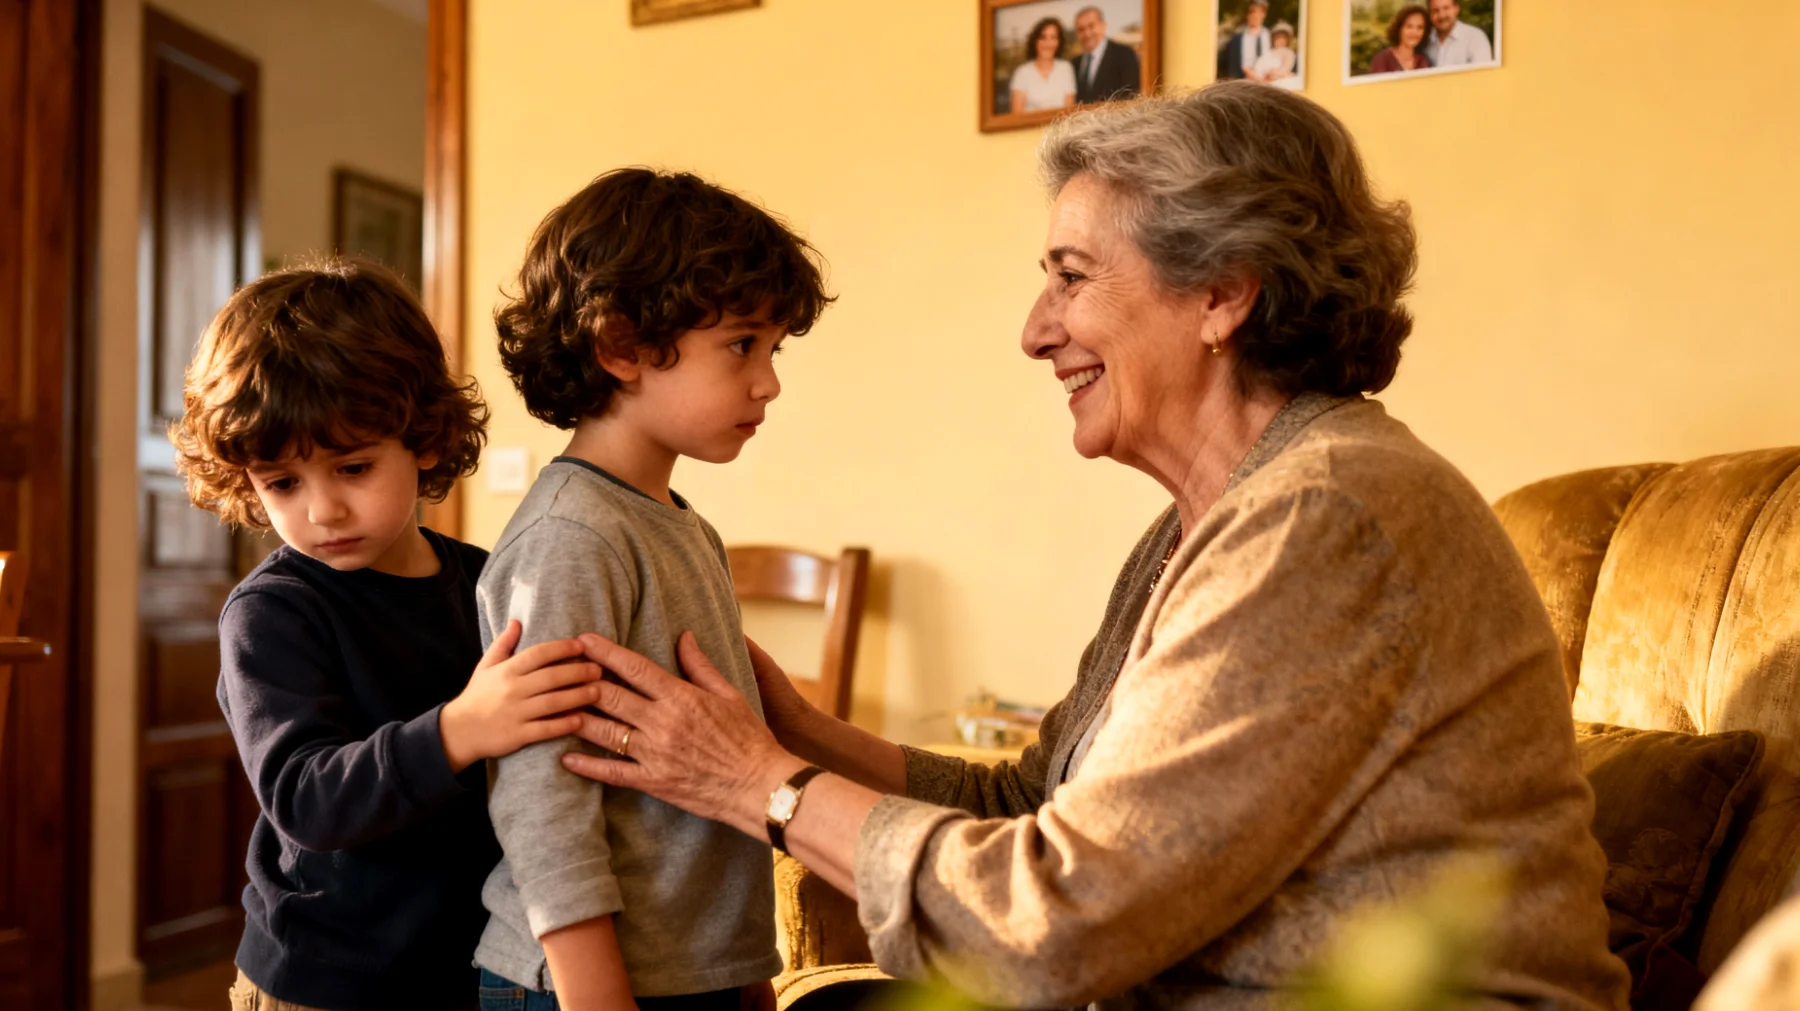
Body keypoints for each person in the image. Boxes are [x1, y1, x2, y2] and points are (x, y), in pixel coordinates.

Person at [556, 84, 1634, 1011]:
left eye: (1071, 276)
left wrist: (764, 785)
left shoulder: (1328, 516)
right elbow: (1031, 803)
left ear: (1221, 294)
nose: (1035, 327)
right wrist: (799, 731)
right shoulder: (1204, 522)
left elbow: (1052, 921)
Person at [171, 258, 607, 1011]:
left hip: (464, 968)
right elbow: (305, 799)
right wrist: (460, 728)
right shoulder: (272, 614)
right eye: (282, 482)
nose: (322, 510)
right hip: (321, 981)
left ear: (426, 439)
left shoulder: (487, 580)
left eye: (353, 466)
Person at [472, 168, 832, 1011]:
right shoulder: (572, 537)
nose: (769, 380)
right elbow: (540, 791)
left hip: (689, 973)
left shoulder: (679, 524)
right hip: (584, 985)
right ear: (621, 347)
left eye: (773, 349)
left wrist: (744, 962)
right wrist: (598, 996)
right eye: (742, 344)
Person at [1072, 6, 1141, 105]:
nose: (1087, 33)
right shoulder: (1074, 64)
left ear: (1103, 26)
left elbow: (1131, 94)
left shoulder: (1124, 55)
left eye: (1091, 26)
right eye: (1081, 29)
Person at [1010, 16, 1076, 114]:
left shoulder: (1065, 69)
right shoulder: (1022, 73)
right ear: (1035, 41)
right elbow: (1016, 116)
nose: (1048, 43)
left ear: (1058, 42)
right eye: (1043, 37)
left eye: (1053, 37)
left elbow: (1070, 112)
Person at [1423, 0, 1494, 67]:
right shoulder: (1425, 43)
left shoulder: (1475, 38)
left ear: (1456, 9)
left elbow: (1482, 76)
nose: (1441, 15)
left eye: (1446, 8)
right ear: (1430, 15)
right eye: (1435, 10)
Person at [1215, 0, 1272, 81]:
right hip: (1245, 81)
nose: (1255, 16)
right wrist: (1257, 78)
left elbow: (1268, 59)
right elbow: (1243, 66)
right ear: (1248, 15)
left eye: (1260, 12)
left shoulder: (1267, 35)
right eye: (1252, 12)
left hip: (1265, 80)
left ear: (1264, 14)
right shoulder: (1238, 38)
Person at [1371, 5, 1434, 74]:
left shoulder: (1423, 62)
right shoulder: (1382, 60)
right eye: (1409, 26)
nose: (1414, 32)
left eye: (1420, 27)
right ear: (1399, 29)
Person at [1246, 21, 1300, 88]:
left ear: (1287, 40)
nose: (1279, 40)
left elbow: (1284, 70)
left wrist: (1272, 73)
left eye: (1283, 38)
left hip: (1273, 84)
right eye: (1278, 37)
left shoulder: (1288, 52)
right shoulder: (1268, 52)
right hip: (1257, 82)